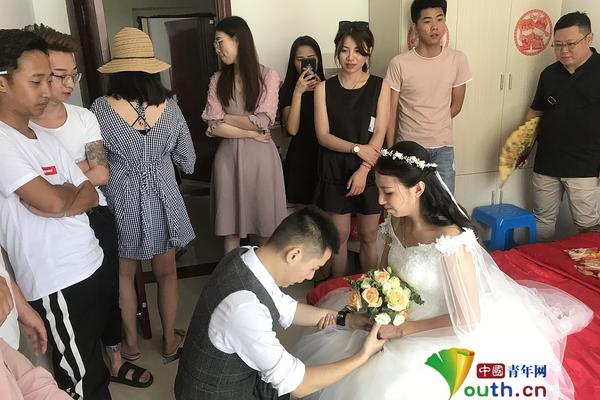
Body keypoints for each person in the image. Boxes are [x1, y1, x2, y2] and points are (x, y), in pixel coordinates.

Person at [293, 141, 592, 399]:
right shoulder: (395, 221)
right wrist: (373, 306)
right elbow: (383, 274)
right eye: (378, 191)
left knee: (391, 385)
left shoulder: (450, 240)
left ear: (418, 189)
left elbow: (468, 319)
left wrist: (401, 329)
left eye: (388, 192)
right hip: (396, 317)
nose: (380, 201)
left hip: (441, 327)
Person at [25, 23, 152, 388]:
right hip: (51, 233)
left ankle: (115, 361)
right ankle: (85, 375)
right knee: (74, 311)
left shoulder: (84, 117)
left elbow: (101, 174)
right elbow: (76, 178)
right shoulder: (24, 127)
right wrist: (77, 175)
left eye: (73, 75)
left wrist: (57, 179)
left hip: (97, 216)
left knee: (108, 294)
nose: (68, 84)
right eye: (59, 75)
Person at [0, 29, 120, 399]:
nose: (48, 91)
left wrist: (61, 200)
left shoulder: (46, 139)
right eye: (37, 81)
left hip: (90, 261)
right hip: (57, 279)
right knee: (81, 380)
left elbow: (91, 194)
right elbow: (55, 200)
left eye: (49, 80)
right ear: (2, 81)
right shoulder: (2, 141)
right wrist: (65, 198)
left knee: (93, 365)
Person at [175, 206, 386, 400]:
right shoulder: (245, 308)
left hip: (234, 378)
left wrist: (347, 320)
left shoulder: (246, 256)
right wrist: (363, 356)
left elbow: (287, 308)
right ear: (294, 255)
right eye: (313, 268)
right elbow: (299, 385)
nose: (310, 276)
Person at [91, 27, 196, 364]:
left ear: (116, 70)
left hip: (120, 200)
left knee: (124, 275)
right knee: (167, 274)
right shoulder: (171, 107)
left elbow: (96, 165)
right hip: (165, 200)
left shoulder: (99, 109)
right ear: (153, 69)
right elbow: (188, 160)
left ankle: (131, 345)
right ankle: (169, 342)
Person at [202, 16, 287, 254]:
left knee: (265, 229)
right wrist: (248, 133)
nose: (217, 49)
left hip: (261, 160)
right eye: (215, 43)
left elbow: (263, 121)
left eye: (220, 42)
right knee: (230, 231)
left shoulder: (268, 76)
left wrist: (224, 118)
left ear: (237, 39)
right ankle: (232, 277)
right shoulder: (217, 80)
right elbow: (212, 125)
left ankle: (262, 277)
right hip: (228, 160)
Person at [313, 21, 390, 277]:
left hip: (369, 169)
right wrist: (357, 149)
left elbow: (380, 133)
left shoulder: (380, 86)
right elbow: (323, 136)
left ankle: (372, 292)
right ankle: (338, 294)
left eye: (358, 51)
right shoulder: (324, 88)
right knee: (340, 237)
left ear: (369, 53)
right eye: (345, 50)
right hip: (335, 168)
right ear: (337, 50)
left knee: (369, 236)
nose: (351, 57)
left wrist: (364, 170)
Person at [523, 11, 600, 242]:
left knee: (588, 225)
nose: (563, 51)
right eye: (557, 45)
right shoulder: (549, 74)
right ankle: (539, 262)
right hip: (547, 162)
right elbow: (535, 112)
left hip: (586, 165)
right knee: (543, 220)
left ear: (589, 39)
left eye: (570, 44)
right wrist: (523, 148)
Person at [385, 0, 471, 193]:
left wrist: (434, 122)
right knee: (408, 205)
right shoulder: (399, 63)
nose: (435, 27)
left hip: (443, 149)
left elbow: (456, 106)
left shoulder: (458, 60)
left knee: (444, 204)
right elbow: (390, 112)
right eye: (427, 21)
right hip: (408, 148)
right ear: (415, 27)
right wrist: (391, 150)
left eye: (440, 19)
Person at [279, 36, 326, 211]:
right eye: (300, 60)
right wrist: (298, 92)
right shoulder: (288, 90)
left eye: (311, 59)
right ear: (293, 62)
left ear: (318, 59)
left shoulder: (328, 87)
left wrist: (322, 90)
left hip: (326, 157)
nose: (306, 64)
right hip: (301, 159)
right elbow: (291, 129)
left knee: (327, 216)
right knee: (304, 218)